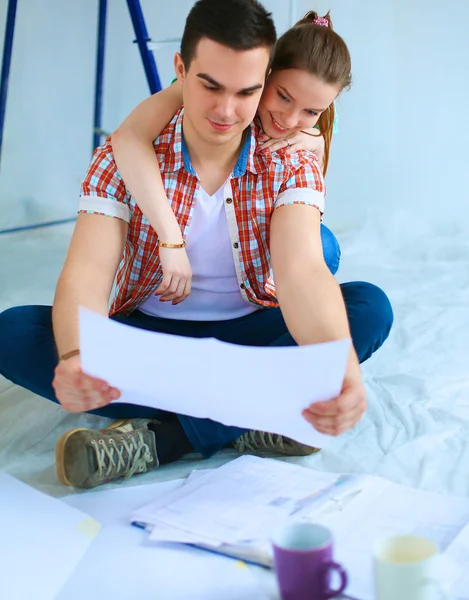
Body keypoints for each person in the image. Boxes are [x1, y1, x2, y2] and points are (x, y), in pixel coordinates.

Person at [0, 0, 393, 490]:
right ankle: (257, 410)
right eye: (210, 86)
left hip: (248, 335)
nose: (227, 111)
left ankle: (164, 441)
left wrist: (340, 365)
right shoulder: (125, 154)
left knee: (369, 308)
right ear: (181, 70)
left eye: (247, 92)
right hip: (152, 342)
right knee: (13, 332)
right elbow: (87, 273)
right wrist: (77, 354)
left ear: (263, 79)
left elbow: (302, 273)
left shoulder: (291, 161)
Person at [111, 11, 342, 306]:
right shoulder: (200, 88)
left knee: (323, 247)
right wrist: (170, 237)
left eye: (311, 112)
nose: (290, 118)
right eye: (283, 97)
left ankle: (275, 308)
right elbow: (129, 136)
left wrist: (317, 143)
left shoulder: (311, 122)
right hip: (187, 220)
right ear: (264, 74)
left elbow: (309, 193)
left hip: (255, 234)